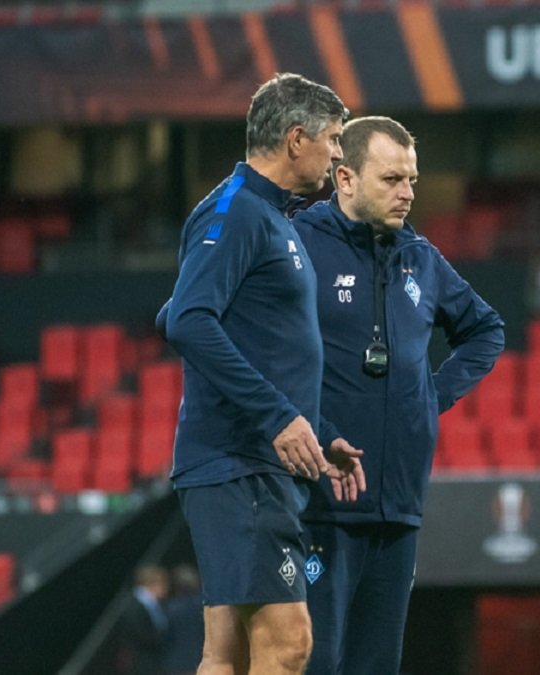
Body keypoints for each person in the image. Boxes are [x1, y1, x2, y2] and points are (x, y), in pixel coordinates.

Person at [161, 72, 365, 675]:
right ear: (296, 138)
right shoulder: (236, 211)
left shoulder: (269, 215)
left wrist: (317, 430)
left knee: (227, 653)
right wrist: (279, 417)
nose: (338, 154)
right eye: (333, 138)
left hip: (250, 462)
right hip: (240, 463)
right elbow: (188, 322)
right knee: (288, 642)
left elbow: (180, 312)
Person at [293, 116, 505, 674]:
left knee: (377, 665)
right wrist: (314, 429)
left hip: (398, 508)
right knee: (314, 661)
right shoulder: (298, 246)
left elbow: (486, 330)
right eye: (391, 179)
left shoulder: (421, 258)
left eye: (411, 179)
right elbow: (262, 350)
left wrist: (431, 396)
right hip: (320, 505)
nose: (408, 192)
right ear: (344, 178)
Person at [117, 565, 170, 675]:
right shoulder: (134, 606)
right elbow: (140, 634)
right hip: (141, 662)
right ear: (153, 584)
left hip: (153, 661)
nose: (166, 588)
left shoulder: (155, 604)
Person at [162, 564, 203, 675]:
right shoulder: (204, 606)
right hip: (201, 659)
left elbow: (164, 634)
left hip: (175, 662)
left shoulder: (170, 607)